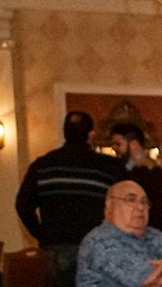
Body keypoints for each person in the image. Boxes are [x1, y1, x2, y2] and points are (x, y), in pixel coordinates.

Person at [14, 111, 126, 275]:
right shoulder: (108, 167)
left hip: (56, 248)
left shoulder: (43, 165)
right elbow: (125, 204)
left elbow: (23, 205)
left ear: (64, 132)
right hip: (97, 247)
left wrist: (43, 235)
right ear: (91, 134)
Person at [109, 123, 162, 239]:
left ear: (133, 144)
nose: (114, 148)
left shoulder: (150, 173)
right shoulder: (130, 171)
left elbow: (161, 214)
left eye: (118, 144)